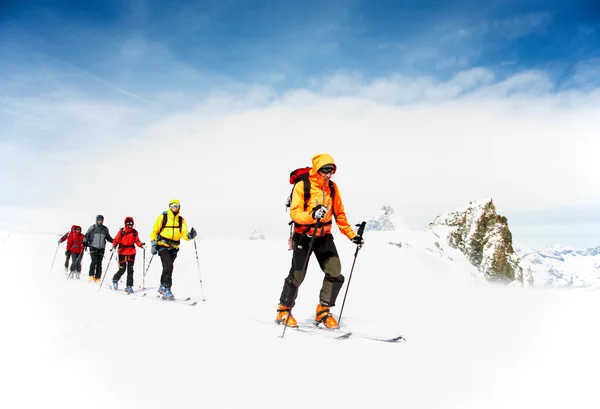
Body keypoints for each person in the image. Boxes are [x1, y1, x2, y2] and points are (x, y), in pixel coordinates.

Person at [275, 153, 364, 329]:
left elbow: (339, 214)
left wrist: (352, 235)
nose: (329, 175)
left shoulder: (332, 187)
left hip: (324, 236)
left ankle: (323, 311)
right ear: (317, 169)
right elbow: (295, 213)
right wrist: (312, 215)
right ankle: (283, 310)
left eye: (331, 171)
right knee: (297, 276)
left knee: (335, 272)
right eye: (325, 171)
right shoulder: (303, 185)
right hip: (304, 236)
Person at [149, 199, 197, 300]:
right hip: (162, 245)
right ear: (170, 206)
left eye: (177, 206)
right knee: (169, 266)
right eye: (173, 205)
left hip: (174, 248)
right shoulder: (163, 217)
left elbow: (184, 234)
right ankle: (167, 288)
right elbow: (154, 231)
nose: (175, 207)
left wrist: (190, 235)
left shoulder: (181, 220)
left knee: (167, 267)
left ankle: (162, 286)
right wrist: (153, 244)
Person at [110, 217, 145, 293]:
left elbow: (137, 241)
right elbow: (116, 240)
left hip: (131, 252)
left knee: (130, 270)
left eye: (131, 224)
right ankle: (115, 279)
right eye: (128, 224)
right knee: (122, 269)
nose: (130, 225)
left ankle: (129, 286)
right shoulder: (122, 231)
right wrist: (114, 246)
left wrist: (142, 245)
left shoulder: (134, 232)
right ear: (125, 224)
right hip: (122, 252)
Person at [83, 215, 113, 283]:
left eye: (101, 220)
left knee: (99, 263)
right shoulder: (92, 228)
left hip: (101, 248)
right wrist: (85, 242)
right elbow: (87, 236)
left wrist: (114, 241)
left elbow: (108, 237)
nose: (100, 221)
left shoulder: (105, 229)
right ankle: (91, 275)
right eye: (99, 220)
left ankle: (98, 277)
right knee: (94, 261)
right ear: (96, 220)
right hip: (93, 246)